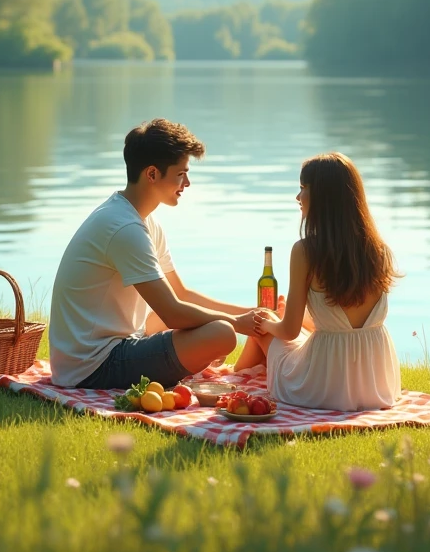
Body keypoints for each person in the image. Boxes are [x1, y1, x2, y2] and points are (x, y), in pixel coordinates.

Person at [49, 118, 259, 389]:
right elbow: (173, 314)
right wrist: (237, 323)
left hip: (115, 343)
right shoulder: (123, 228)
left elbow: (181, 295)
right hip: (92, 366)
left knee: (199, 322)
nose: (188, 183)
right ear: (152, 174)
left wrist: (252, 312)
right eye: (181, 174)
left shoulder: (143, 221)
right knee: (222, 334)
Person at [235, 152, 402, 411]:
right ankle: (241, 377)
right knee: (293, 331)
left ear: (323, 197)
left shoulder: (305, 251)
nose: (298, 197)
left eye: (303, 189)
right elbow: (345, 321)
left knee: (262, 324)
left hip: (323, 386)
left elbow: (288, 331)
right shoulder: (378, 251)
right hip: (376, 383)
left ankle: (237, 380)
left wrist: (268, 321)